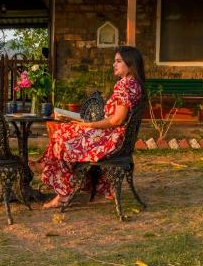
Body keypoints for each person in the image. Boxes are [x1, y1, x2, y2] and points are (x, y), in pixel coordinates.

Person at [40, 46, 144, 209]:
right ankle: (50, 169)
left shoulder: (125, 85)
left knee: (61, 137)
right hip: (115, 138)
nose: (113, 65)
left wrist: (88, 124)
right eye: (114, 61)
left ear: (130, 64)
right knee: (66, 132)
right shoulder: (133, 84)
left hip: (112, 141)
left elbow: (116, 120)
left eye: (118, 61)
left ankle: (62, 191)